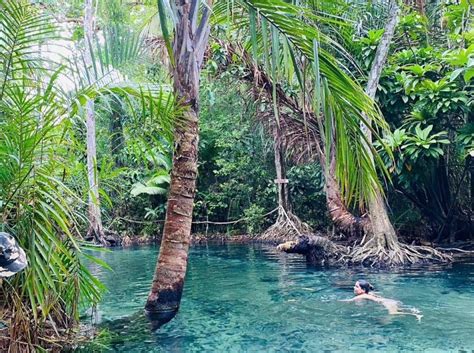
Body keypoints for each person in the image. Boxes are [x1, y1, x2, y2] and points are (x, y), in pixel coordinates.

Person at [342, 279, 423, 321]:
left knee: (394, 314)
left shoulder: (361, 296)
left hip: (388, 303)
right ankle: (413, 313)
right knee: (386, 320)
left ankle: (415, 315)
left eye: (356, 286)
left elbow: (348, 301)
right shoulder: (369, 293)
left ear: (363, 290)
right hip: (391, 302)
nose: (354, 287)